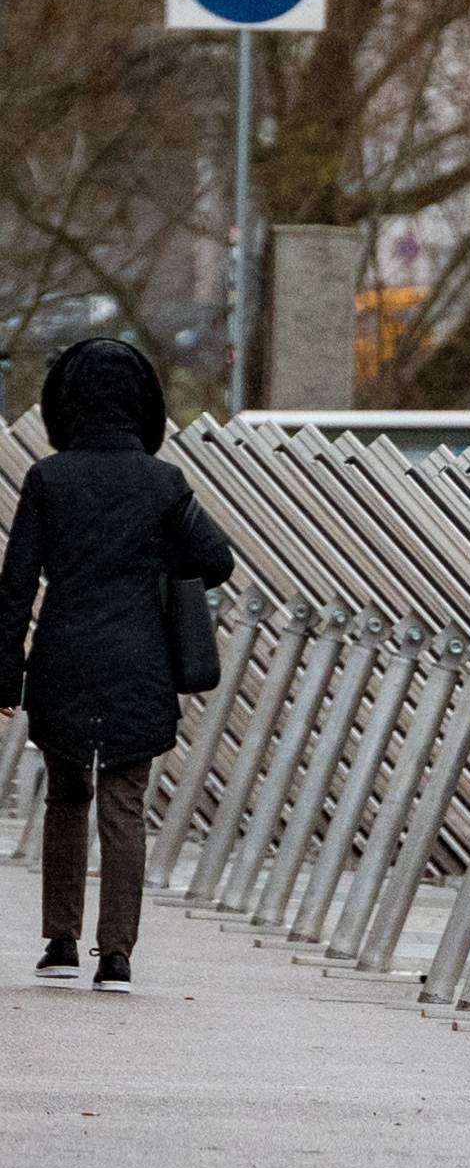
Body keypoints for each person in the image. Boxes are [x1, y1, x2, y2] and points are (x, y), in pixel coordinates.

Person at [0, 339, 235, 989]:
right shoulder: (163, 484)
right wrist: (156, 560)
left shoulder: (48, 479)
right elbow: (216, 559)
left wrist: (4, 674)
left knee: (68, 793)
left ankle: (60, 938)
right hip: (139, 660)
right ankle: (117, 953)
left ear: (67, 405)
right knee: (123, 804)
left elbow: (15, 584)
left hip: (64, 655)